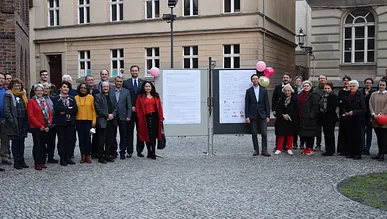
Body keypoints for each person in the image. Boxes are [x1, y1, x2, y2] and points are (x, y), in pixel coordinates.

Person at [4, 78, 29, 169]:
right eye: (15, 85)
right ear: (12, 86)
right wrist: (11, 120)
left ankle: (22, 159)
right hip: (14, 121)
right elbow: (7, 109)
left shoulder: (24, 93)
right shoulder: (8, 94)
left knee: (22, 141)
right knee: (15, 142)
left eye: (19, 85)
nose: (17, 86)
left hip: (23, 121)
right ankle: (16, 161)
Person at [28, 84, 54, 170]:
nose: (39, 92)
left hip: (45, 127)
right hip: (36, 127)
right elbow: (31, 116)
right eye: (37, 90)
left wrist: (48, 125)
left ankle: (43, 161)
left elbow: (49, 113)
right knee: (37, 145)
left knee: (43, 145)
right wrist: (40, 126)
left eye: (41, 90)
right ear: (35, 92)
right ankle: (37, 162)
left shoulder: (44, 101)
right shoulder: (32, 101)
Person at [136, 81, 164, 159]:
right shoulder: (140, 96)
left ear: (151, 87)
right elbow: (137, 107)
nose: (148, 88)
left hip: (155, 117)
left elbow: (159, 107)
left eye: (149, 86)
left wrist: (161, 117)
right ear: (144, 88)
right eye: (146, 86)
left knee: (154, 135)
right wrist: (139, 116)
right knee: (147, 134)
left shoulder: (156, 95)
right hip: (145, 117)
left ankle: (153, 152)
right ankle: (149, 151)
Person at [245, 74, 271, 157]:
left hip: (262, 114)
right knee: (254, 133)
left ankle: (264, 150)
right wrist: (247, 116)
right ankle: (256, 150)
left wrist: (268, 115)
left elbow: (267, 103)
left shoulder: (264, 90)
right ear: (251, 81)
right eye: (253, 79)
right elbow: (247, 104)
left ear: (258, 80)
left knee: (264, 133)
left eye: (256, 79)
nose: (255, 80)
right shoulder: (249, 91)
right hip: (252, 114)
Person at [53, 81, 78, 166]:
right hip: (60, 123)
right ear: (60, 88)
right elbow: (57, 108)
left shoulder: (71, 98)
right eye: (64, 87)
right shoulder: (56, 98)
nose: (65, 88)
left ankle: (68, 156)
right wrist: (68, 109)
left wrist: (65, 110)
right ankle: (62, 157)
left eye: (67, 87)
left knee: (70, 140)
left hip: (70, 122)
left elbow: (75, 109)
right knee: (62, 140)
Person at [123, 65, 146, 157]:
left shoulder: (143, 82)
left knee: (140, 131)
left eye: (136, 70)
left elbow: (144, 97)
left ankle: (140, 151)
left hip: (140, 111)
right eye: (132, 70)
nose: (134, 72)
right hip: (130, 111)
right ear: (130, 72)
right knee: (129, 132)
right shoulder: (126, 83)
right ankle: (129, 151)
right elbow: (124, 97)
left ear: (138, 71)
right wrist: (130, 107)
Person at [341, 80, 366, 160]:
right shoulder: (347, 96)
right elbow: (344, 107)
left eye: (353, 86)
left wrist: (354, 112)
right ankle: (351, 152)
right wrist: (345, 112)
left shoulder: (360, 96)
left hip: (357, 119)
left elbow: (364, 109)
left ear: (357, 87)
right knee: (350, 136)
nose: (351, 88)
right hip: (349, 119)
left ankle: (358, 153)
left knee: (357, 136)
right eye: (350, 86)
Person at [94, 81, 118, 164]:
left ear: (109, 87)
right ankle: (101, 157)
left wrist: (113, 115)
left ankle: (107, 155)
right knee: (101, 140)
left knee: (109, 140)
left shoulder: (112, 96)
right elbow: (98, 109)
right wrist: (107, 115)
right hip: (102, 121)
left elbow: (116, 107)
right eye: (104, 86)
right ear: (101, 87)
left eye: (107, 86)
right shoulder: (97, 96)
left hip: (112, 121)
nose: (105, 88)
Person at [110, 76, 132, 160]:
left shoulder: (126, 92)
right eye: (117, 81)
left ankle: (123, 151)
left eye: (120, 81)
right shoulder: (110, 90)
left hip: (123, 116)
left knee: (124, 135)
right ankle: (114, 152)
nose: (119, 83)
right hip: (113, 116)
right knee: (113, 135)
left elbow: (129, 105)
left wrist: (129, 115)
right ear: (115, 82)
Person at [274, 84, 299, 155]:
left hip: (291, 119)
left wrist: (289, 115)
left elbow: (296, 109)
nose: (287, 92)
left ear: (291, 91)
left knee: (290, 134)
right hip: (281, 119)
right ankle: (279, 148)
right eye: (285, 91)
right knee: (280, 134)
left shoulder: (295, 99)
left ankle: (289, 148)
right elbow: (277, 109)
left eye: (288, 91)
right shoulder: (280, 99)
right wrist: (282, 115)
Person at [75, 83, 96, 163]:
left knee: (87, 139)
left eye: (84, 88)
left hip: (88, 121)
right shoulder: (75, 98)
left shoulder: (91, 98)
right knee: (81, 139)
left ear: (87, 89)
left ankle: (88, 155)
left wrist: (94, 121)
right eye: (81, 88)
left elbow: (94, 110)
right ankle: (82, 155)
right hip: (79, 121)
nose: (83, 89)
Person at [298, 80, 320, 156]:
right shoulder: (301, 94)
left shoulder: (314, 95)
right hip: (302, 117)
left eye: (307, 86)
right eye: (304, 86)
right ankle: (306, 148)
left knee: (310, 134)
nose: (306, 87)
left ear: (310, 87)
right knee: (305, 134)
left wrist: (311, 116)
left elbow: (315, 106)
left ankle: (310, 148)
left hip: (310, 118)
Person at [369, 79, 387, 162]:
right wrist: (373, 114)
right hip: (375, 118)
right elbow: (370, 104)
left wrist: (380, 114)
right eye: (380, 85)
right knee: (378, 137)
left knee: (383, 137)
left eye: (383, 85)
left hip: (384, 119)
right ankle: (379, 153)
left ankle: (382, 154)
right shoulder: (374, 94)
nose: (381, 86)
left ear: (385, 86)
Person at [318, 82, 338, 156]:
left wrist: (325, 110)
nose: (326, 90)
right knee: (326, 134)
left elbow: (333, 107)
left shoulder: (333, 96)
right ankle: (327, 149)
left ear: (331, 89)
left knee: (330, 134)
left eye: (328, 88)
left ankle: (331, 150)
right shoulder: (322, 96)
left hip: (330, 118)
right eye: (325, 88)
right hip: (323, 118)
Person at [42, 82, 58, 163]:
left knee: (51, 142)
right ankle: (42, 157)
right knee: (43, 142)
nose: (46, 90)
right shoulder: (38, 99)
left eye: (47, 89)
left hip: (52, 123)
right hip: (42, 123)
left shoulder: (52, 98)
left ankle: (51, 157)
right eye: (44, 88)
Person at [337, 75, 352, 155]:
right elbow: (339, 102)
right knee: (342, 131)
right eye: (344, 80)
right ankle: (341, 149)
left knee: (349, 131)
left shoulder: (351, 91)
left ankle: (348, 149)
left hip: (350, 113)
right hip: (342, 112)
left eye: (347, 80)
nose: (346, 82)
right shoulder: (341, 91)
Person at [361, 78, 376, 155]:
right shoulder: (361, 91)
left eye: (370, 83)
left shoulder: (373, 93)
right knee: (362, 131)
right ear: (365, 83)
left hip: (370, 115)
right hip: (362, 114)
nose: (368, 84)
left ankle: (367, 148)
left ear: (372, 84)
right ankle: (362, 147)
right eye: (367, 83)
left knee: (369, 132)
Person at [313, 74, 328, 151]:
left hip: (326, 113)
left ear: (326, 80)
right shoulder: (315, 89)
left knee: (327, 131)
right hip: (318, 113)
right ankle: (318, 145)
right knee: (317, 131)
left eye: (323, 78)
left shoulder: (328, 88)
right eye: (320, 78)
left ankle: (328, 146)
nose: (322, 80)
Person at [0, 73, 11, 169]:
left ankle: (4, 156)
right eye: (0, 78)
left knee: (5, 139)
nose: (1, 80)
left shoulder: (7, 91)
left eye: (3, 78)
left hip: (4, 118)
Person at [293, 76, 304, 149]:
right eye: (297, 81)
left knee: (302, 128)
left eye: (299, 81)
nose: (298, 82)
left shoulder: (304, 90)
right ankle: (294, 143)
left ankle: (302, 143)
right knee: (295, 128)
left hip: (302, 111)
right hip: (294, 111)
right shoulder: (293, 89)